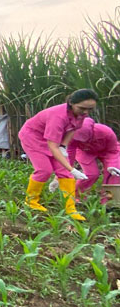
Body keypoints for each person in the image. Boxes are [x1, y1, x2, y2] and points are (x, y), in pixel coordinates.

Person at [18, 89, 97, 220]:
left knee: (65, 173)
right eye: (82, 108)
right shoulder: (58, 116)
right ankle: (31, 201)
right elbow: (53, 147)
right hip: (33, 137)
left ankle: (70, 208)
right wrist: (72, 168)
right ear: (71, 103)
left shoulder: (80, 114)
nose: (86, 112)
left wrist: (64, 146)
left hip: (54, 140)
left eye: (90, 109)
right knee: (44, 170)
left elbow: (73, 129)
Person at [64, 118, 120, 204]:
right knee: (91, 174)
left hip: (108, 150)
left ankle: (108, 201)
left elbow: (113, 150)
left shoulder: (106, 132)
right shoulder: (72, 136)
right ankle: (77, 196)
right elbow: (70, 152)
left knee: (113, 174)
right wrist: (68, 169)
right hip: (85, 151)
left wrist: (112, 164)